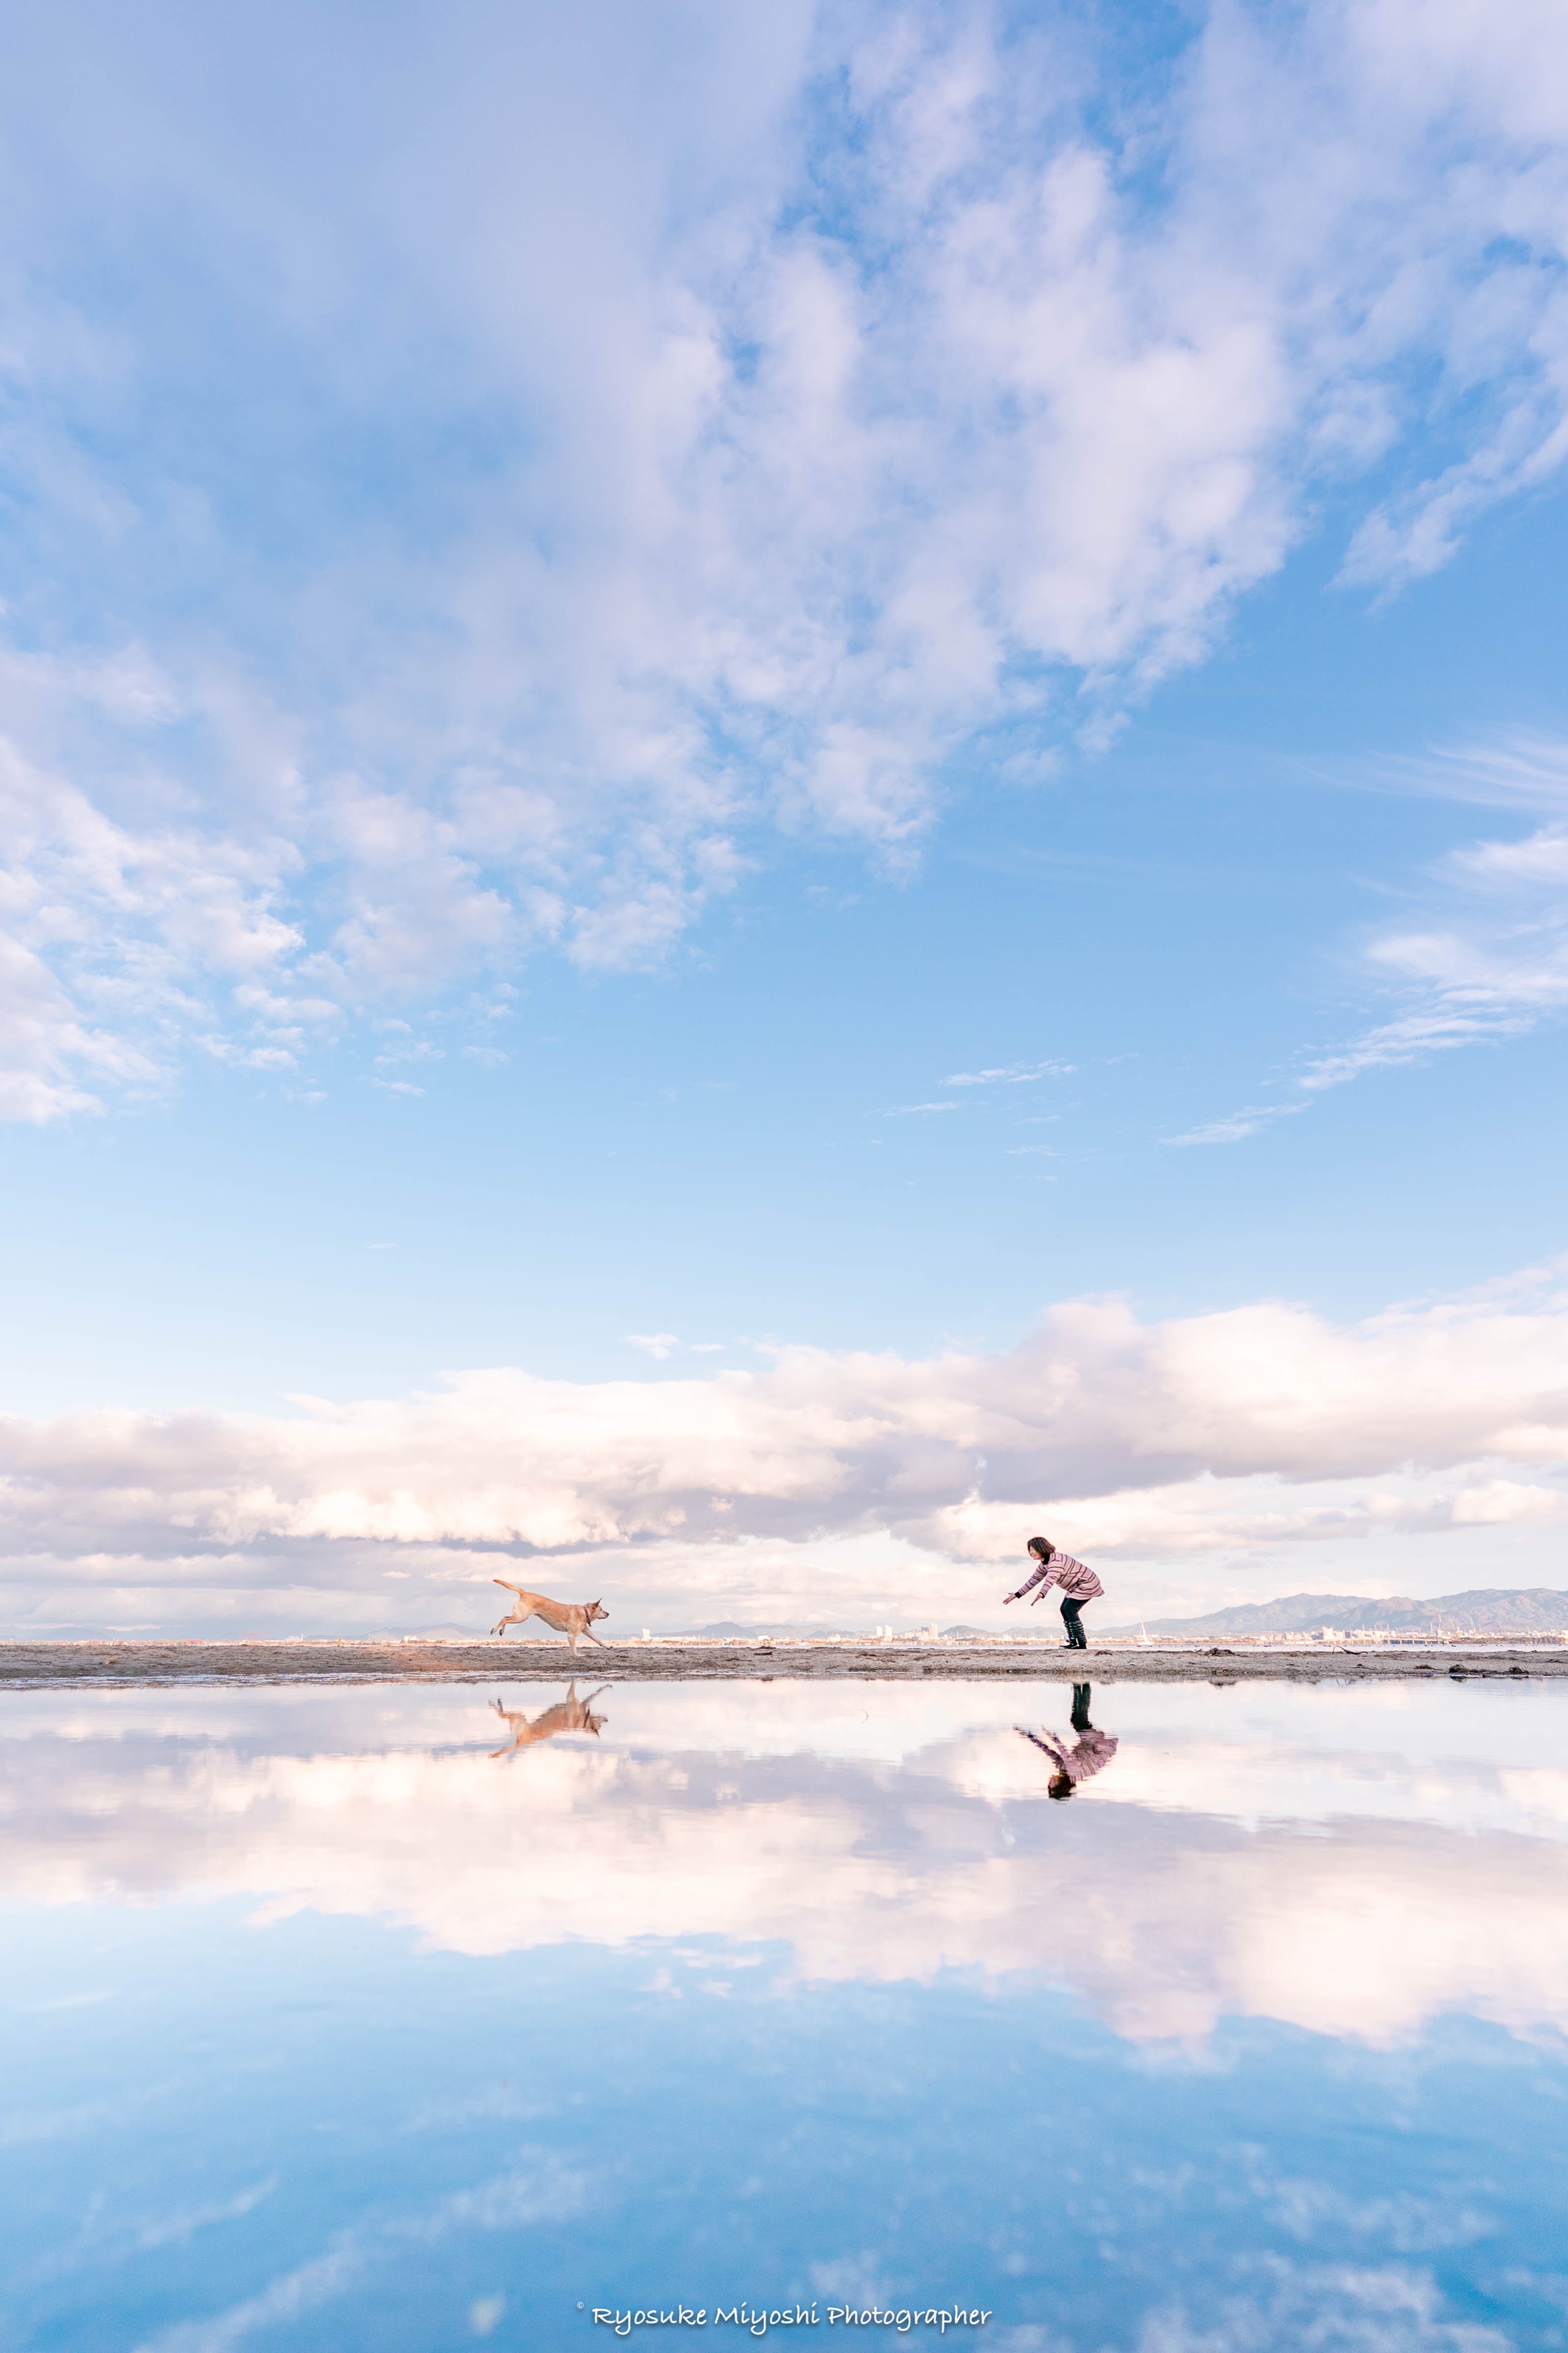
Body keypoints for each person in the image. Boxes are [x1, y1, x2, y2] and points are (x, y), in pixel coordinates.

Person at [1017, 1683, 1118, 1799]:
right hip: (1099, 1747)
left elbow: (1049, 1752)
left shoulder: (1064, 1770)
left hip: (1092, 1745)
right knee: (1079, 1721)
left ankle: (1080, 1686)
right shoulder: (1073, 1772)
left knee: (1077, 1719)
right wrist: (1054, 1738)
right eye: (1051, 1786)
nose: (1050, 1783)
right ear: (1058, 1785)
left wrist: (1030, 1736)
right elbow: (1065, 1754)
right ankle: (1082, 1685)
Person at [1002, 1535, 1103, 1649]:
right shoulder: (1044, 1564)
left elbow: (1051, 1579)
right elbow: (1034, 1580)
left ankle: (1081, 1644)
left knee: (1069, 1609)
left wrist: (1042, 1593)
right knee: (1064, 1609)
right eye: (1030, 1549)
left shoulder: (1056, 1561)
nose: (1031, 1552)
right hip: (1076, 1586)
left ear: (1042, 1548)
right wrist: (1017, 1595)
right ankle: (1073, 1642)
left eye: (1034, 1549)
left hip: (1087, 1584)